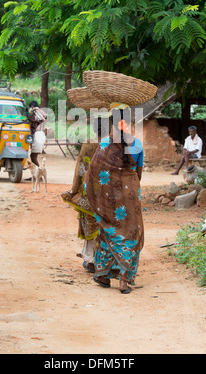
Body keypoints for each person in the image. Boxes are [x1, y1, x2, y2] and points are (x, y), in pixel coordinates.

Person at [84, 106, 144, 294]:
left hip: (110, 200)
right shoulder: (138, 144)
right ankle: (123, 281)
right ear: (128, 123)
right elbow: (138, 174)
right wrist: (128, 187)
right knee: (131, 233)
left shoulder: (103, 145)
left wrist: (100, 196)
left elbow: (91, 175)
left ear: (112, 123)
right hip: (131, 196)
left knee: (109, 231)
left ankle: (102, 274)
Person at [61, 115, 110, 273]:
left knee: (90, 224)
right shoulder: (113, 146)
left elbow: (81, 170)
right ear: (109, 128)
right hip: (108, 193)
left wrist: (75, 190)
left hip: (89, 192)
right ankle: (105, 259)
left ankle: (90, 259)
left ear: (95, 128)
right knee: (106, 225)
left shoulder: (88, 145)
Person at [27, 101, 47, 167]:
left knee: (33, 156)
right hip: (40, 135)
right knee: (33, 156)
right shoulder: (41, 112)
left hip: (38, 135)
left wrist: (31, 112)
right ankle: (36, 175)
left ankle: (38, 175)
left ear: (32, 106)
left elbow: (39, 119)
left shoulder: (36, 111)